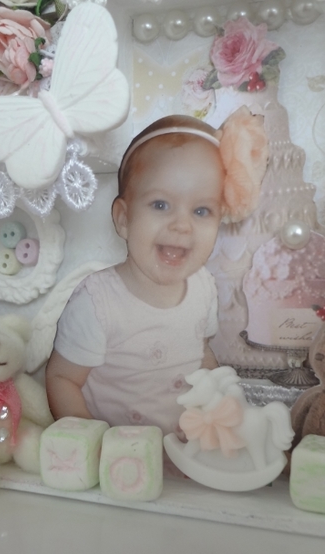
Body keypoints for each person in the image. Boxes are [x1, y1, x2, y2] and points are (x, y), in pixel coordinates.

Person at [45, 108, 268, 435]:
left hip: (184, 448)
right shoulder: (98, 302)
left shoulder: (203, 287)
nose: (182, 225)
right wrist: (95, 442)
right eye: (161, 205)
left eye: (201, 210)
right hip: (118, 453)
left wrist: (222, 400)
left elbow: (200, 355)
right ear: (124, 219)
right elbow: (62, 378)